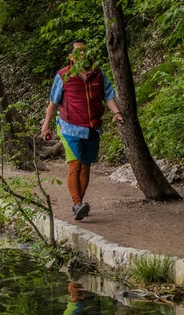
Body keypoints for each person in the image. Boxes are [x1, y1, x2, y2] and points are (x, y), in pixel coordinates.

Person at [41, 40, 124, 220]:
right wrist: (46, 125)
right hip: (68, 128)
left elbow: (108, 96)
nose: (83, 54)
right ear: (71, 56)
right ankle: (77, 203)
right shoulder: (63, 75)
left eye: (85, 51)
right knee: (76, 165)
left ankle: (78, 206)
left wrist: (117, 112)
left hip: (93, 127)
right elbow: (53, 103)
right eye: (78, 51)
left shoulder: (98, 74)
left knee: (85, 167)